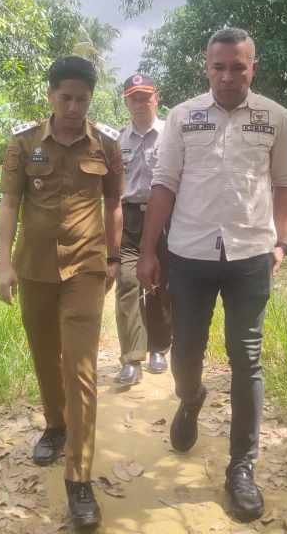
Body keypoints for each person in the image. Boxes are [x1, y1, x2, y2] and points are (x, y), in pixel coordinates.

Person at [138, 27, 287, 523]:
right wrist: (149, 250)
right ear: (206, 68)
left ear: (254, 66)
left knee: (246, 356)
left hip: (250, 254)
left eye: (239, 66)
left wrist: (281, 241)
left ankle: (241, 469)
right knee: (185, 351)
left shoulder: (276, 118)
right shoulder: (182, 117)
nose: (228, 76)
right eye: (219, 67)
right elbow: (163, 185)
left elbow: (285, 183)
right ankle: (191, 399)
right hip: (189, 254)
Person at [0, 55, 123, 530]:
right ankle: (54, 424)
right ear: (50, 95)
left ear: (91, 99)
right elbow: (10, 203)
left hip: (87, 269)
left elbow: (113, 203)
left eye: (82, 99)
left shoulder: (107, 145)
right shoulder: (23, 143)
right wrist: (4, 263)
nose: (73, 107)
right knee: (45, 355)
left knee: (81, 368)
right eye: (65, 97)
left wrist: (114, 256)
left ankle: (79, 477)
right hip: (34, 268)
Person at [113, 73, 174, 386]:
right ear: (126, 101)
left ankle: (158, 349)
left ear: (156, 98)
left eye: (145, 96)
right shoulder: (116, 140)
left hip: (165, 218)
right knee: (127, 283)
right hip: (128, 219)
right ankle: (131, 358)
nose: (140, 103)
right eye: (133, 97)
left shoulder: (171, 134)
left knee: (161, 284)